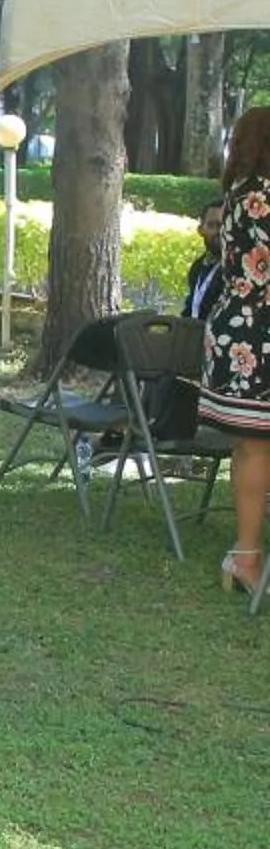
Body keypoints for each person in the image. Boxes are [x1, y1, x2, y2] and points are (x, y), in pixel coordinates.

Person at [199, 104, 270, 593]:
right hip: (259, 329)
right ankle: (247, 559)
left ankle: (246, 557)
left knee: (252, 446)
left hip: (236, 327)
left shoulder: (239, 197)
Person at [183, 203, 224, 324]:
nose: (218, 231)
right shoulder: (197, 267)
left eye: (223, 225)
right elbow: (192, 307)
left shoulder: (236, 270)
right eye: (212, 225)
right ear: (201, 230)